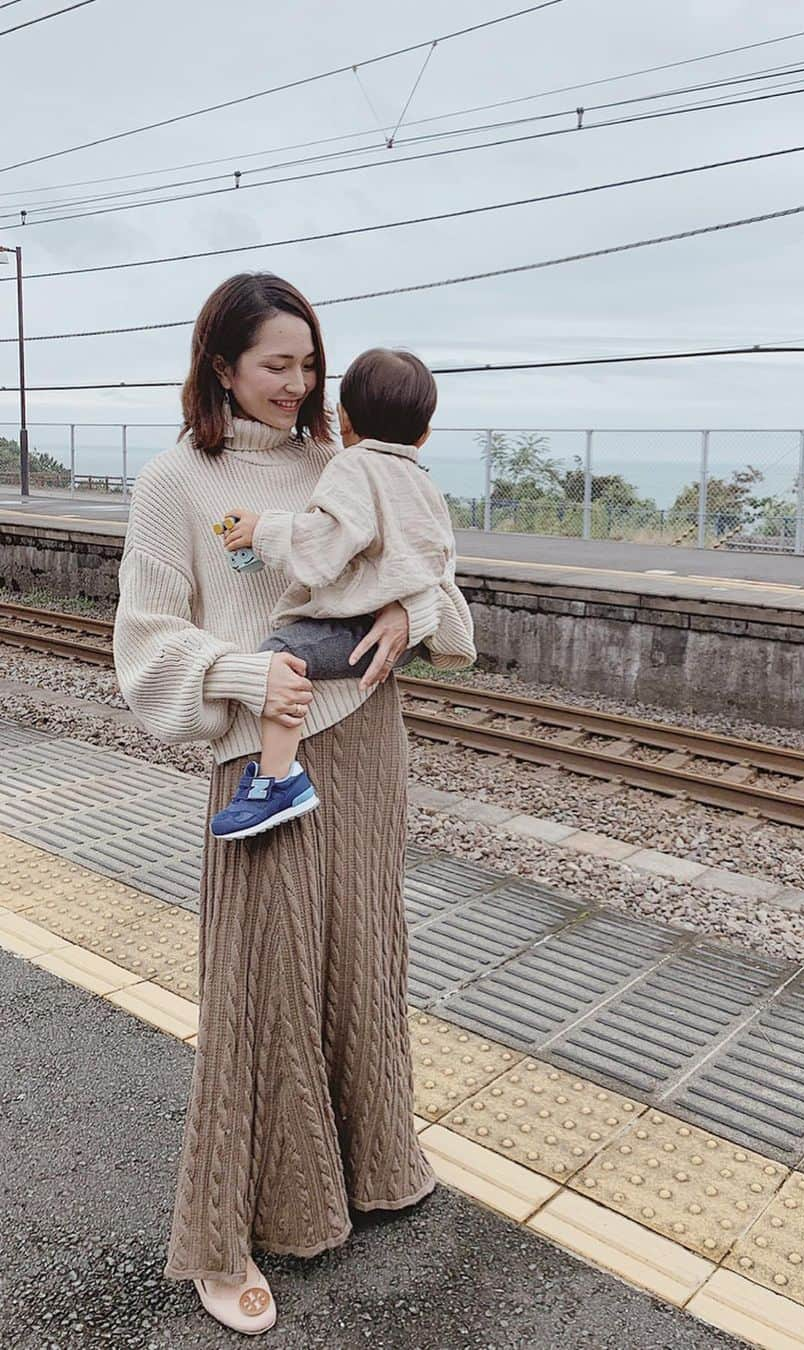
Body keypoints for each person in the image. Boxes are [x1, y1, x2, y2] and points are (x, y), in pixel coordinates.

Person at [113, 273, 448, 1335]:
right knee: (258, 981)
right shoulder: (179, 479)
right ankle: (225, 1238)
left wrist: (410, 605)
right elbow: (147, 636)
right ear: (221, 364)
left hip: (369, 743)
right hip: (266, 745)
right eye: (275, 365)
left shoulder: (349, 462)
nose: (296, 384)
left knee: (362, 951)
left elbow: (438, 569)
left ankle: (371, 1165)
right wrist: (244, 676)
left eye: (310, 366)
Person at [209, 346, 475, 841]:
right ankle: (276, 779)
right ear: (425, 434)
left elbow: (326, 544)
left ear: (344, 419)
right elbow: (440, 561)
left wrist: (263, 530)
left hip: (357, 627)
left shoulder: (354, 467)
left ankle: (276, 780)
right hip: (406, 634)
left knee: (278, 657)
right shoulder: (424, 483)